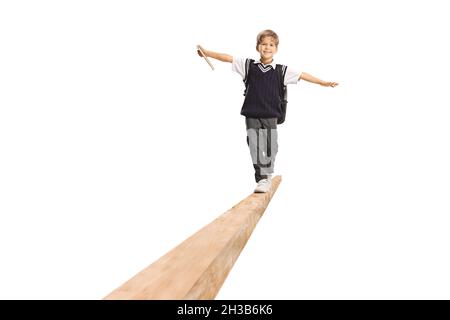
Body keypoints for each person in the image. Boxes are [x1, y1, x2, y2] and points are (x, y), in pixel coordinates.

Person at [197, 29, 338, 193]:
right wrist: (206, 52)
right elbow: (228, 58)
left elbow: (303, 75)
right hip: (252, 113)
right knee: (254, 145)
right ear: (258, 47)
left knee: (272, 146)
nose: (267, 47)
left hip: (271, 115)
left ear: (276, 48)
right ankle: (262, 178)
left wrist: (322, 82)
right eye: (263, 44)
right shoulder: (248, 65)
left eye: (271, 45)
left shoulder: (281, 70)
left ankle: (268, 172)